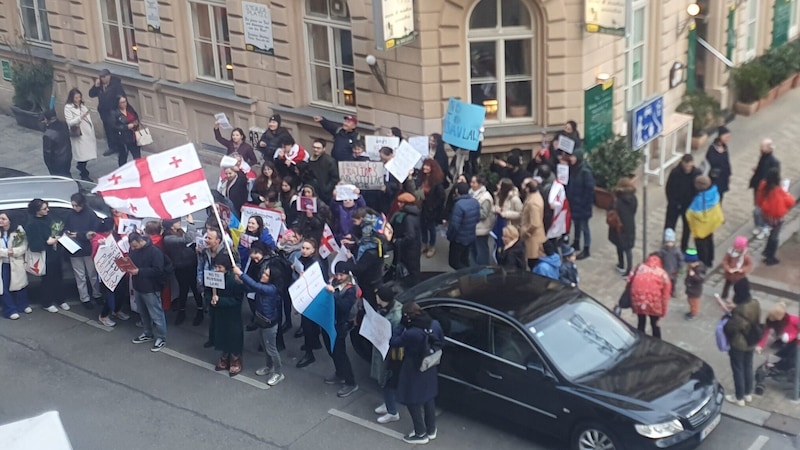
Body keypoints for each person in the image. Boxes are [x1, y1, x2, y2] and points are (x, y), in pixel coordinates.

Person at [390, 301, 444, 444]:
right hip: (430, 365)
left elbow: (393, 342)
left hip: (414, 367)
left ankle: (420, 433)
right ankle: (431, 429)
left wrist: (400, 326)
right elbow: (441, 341)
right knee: (428, 397)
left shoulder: (412, 333)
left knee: (412, 399)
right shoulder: (435, 324)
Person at [234, 261, 284, 386]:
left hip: (269, 324)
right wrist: (241, 282)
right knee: (265, 345)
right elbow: (251, 287)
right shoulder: (265, 286)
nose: (263, 275)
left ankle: (278, 373)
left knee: (271, 349)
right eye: (264, 273)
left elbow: (255, 286)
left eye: (267, 275)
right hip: (261, 320)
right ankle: (269, 366)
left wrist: (241, 274)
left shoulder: (271, 289)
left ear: (272, 279)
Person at [321, 262, 359, 398]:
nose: (339, 277)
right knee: (331, 350)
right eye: (337, 274)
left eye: (341, 274)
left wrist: (333, 295)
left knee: (340, 353)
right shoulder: (333, 281)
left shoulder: (350, 289)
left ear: (348, 275)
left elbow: (344, 307)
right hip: (328, 321)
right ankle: (340, 373)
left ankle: (351, 382)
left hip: (340, 325)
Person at [127, 232, 168, 352]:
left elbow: (158, 270)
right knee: (143, 313)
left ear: (141, 241)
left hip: (151, 288)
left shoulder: (155, 252)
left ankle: (161, 337)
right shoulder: (134, 249)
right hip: (138, 286)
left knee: (156, 314)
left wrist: (139, 271)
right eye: (132, 247)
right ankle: (147, 333)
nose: (133, 249)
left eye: (135, 246)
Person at [723, 278, 761, 406]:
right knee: (748, 366)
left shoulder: (739, 310)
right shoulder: (755, 303)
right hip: (752, 340)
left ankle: (739, 397)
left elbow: (730, 327)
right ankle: (748, 393)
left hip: (739, 343)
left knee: (738, 369)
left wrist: (730, 312)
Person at [25, 199, 67, 312]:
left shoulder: (49, 218)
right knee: (48, 280)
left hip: (56, 253)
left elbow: (56, 228)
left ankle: (60, 299)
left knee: (59, 277)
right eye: (44, 209)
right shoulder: (32, 224)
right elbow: (34, 244)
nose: (47, 210)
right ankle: (47, 302)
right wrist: (47, 242)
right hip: (45, 256)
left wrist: (57, 236)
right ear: (37, 211)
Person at [207, 254, 245, 377]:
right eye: (216, 267)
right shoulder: (212, 278)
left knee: (233, 335)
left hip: (232, 314)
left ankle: (235, 357)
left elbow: (238, 300)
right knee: (221, 333)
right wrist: (210, 300)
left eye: (220, 267)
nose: (217, 270)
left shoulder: (235, 280)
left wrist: (220, 301)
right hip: (218, 313)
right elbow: (207, 293)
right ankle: (224, 354)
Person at [371, 285, 404, 423]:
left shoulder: (395, 316)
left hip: (391, 355)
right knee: (384, 381)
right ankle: (388, 404)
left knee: (387, 381)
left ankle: (392, 412)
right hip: (382, 350)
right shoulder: (388, 308)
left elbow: (392, 336)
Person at [64, 193, 102, 310]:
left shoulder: (90, 214)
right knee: (80, 276)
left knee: (92, 275)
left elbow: (94, 232)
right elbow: (65, 227)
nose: (74, 208)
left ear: (82, 204)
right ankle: (84, 298)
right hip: (74, 250)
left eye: (76, 206)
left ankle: (97, 294)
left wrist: (78, 235)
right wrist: (68, 234)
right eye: (73, 205)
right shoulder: (70, 215)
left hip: (88, 249)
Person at [163, 218, 203, 326]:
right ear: (171, 226)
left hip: (191, 263)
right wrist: (191, 223)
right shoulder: (168, 238)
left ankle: (200, 309)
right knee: (183, 289)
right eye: (177, 222)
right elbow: (188, 239)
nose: (180, 223)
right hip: (181, 267)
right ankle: (182, 311)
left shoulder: (179, 232)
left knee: (195, 288)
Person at [294, 238, 326, 368]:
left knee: (308, 326)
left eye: (307, 249)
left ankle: (309, 353)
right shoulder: (302, 259)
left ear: (314, 250)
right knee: (311, 325)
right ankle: (315, 342)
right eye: (303, 248)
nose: (304, 251)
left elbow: (318, 282)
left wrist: (304, 278)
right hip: (306, 297)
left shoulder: (316, 263)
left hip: (312, 299)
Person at [755, 167, 796, 266]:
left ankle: (766, 251)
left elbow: (759, 199)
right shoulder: (777, 190)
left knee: (772, 233)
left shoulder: (763, 186)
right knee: (774, 237)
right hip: (775, 217)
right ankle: (770, 257)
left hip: (765, 215)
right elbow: (790, 201)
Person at [629, 253, 672, 339]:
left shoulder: (639, 268)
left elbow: (629, 280)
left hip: (639, 300)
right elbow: (665, 296)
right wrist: (662, 312)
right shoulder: (663, 274)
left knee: (641, 322)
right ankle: (657, 342)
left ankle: (640, 340)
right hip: (654, 303)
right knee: (655, 324)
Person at [348, 209, 386, 304]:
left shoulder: (366, 228)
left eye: (355, 221)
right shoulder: (372, 220)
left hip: (369, 283)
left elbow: (365, 240)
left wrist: (356, 243)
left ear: (361, 218)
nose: (354, 223)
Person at [664, 154, 701, 252]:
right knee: (670, 226)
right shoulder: (675, 172)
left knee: (687, 228)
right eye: (686, 166)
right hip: (674, 204)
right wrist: (672, 202)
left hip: (688, 206)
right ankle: (668, 246)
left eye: (689, 166)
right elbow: (669, 188)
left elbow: (698, 191)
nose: (687, 168)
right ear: (682, 163)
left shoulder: (697, 173)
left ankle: (683, 247)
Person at [686, 175, 724, 268]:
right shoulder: (714, 191)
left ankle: (703, 263)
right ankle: (710, 260)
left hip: (701, 227)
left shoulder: (700, 199)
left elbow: (690, 213)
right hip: (711, 224)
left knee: (702, 246)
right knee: (709, 241)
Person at [564, 149, 595, 260]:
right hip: (575, 203)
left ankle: (586, 249)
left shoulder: (585, 171)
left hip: (582, 206)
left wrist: (584, 204)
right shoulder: (574, 169)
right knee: (576, 224)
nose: (571, 159)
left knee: (584, 227)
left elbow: (589, 190)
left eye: (573, 157)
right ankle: (576, 243)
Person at [0, 212, 31, 320]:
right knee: (3, 288)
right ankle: (10, 310)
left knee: (19, 284)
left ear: (10, 220)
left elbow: (23, 246)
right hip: (2, 263)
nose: (1, 221)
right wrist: (5, 253)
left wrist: (13, 251)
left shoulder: (18, 230)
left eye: (3, 219)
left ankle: (22, 305)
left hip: (16, 261)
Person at [88, 68, 125, 156]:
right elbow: (91, 94)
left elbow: (121, 96)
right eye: (101, 77)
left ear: (108, 76)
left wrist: (119, 109)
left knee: (116, 129)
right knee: (108, 130)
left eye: (104, 77)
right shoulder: (100, 85)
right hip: (104, 111)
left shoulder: (115, 85)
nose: (102, 79)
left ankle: (120, 147)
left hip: (113, 111)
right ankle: (112, 147)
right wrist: (95, 86)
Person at [748, 139, 780, 240]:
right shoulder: (763, 157)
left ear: (769, 148)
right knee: (757, 208)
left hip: (765, 189)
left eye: (762, 146)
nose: (760, 148)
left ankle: (764, 227)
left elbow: (774, 176)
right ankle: (759, 225)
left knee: (761, 209)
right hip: (758, 186)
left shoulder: (773, 162)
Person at [64, 88, 98, 181]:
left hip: (87, 133)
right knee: (82, 154)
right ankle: (83, 172)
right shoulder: (68, 107)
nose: (78, 99)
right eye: (76, 97)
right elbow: (70, 122)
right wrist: (80, 117)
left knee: (87, 153)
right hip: (79, 134)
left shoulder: (82, 105)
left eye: (79, 97)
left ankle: (82, 167)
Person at [446, 182, 480, 270]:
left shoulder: (458, 205)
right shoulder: (474, 202)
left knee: (454, 262)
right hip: (470, 236)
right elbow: (477, 218)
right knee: (464, 259)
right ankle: (466, 279)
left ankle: (465, 274)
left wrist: (450, 236)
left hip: (458, 239)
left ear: (457, 191)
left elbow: (454, 225)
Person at [389, 192, 421, 282]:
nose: (398, 204)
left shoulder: (408, 218)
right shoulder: (413, 213)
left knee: (412, 270)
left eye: (401, 202)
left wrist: (398, 241)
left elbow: (410, 236)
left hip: (410, 250)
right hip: (412, 248)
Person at [417, 159, 446, 258]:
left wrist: (433, 207)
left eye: (428, 166)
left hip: (431, 209)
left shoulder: (437, 181)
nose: (425, 167)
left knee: (431, 228)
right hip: (422, 207)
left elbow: (441, 197)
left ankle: (432, 246)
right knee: (423, 227)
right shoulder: (422, 178)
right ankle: (424, 244)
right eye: (424, 165)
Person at [608, 178, 637, 276]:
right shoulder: (633, 198)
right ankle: (629, 269)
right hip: (629, 225)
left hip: (618, 226)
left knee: (619, 245)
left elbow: (611, 210)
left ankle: (621, 265)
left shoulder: (617, 199)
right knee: (628, 248)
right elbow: (634, 210)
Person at [756, 302, 798, 369]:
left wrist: (792, 336)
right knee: (781, 353)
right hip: (786, 339)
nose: (771, 319)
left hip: (795, 339)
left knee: (792, 355)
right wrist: (760, 345)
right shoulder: (771, 320)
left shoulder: (792, 320)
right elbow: (765, 333)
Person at [469, 175, 495, 266]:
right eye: (471, 182)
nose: (471, 184)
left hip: (482, 228)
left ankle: (483, 268)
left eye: (474, 182)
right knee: (473, 249)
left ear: (480, 184)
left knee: (481, 249)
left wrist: (471, 212)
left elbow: (484, 214)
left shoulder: (485, 197)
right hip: (474, 227)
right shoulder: (472, 193)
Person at [520, 179, 546, 270]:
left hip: (533, 238)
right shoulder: (535, 196)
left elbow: (535, 223)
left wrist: (525, 232)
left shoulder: (532, 203)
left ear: (527, 188)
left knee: (533, 262)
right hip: (535, 235)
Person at [108, 96, 141, 166]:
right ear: (118, 103)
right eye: (122, 102)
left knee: (137, 155)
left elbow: (136, 117)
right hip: (123, 138)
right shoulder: (114, 113)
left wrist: (136, 123)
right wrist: (126, 127)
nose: (124, 104)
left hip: (134, 135)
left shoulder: (130, 109)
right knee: (123, 156)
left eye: (125, 102)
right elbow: (113, 126)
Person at [719, 236, 753, 303]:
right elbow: (724, 261)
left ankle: (735, 300)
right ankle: (724, 296)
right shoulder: (730, 253)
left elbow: (749, 265)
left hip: (739, 276)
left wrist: (742, 270)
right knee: (726, 286)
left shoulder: (746, 256)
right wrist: (728, 268)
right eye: (736, 248)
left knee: (738, 288)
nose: (737, 249)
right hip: (729, 274)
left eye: (738, 248)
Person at [307, 138, 340, 205]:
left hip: (325, 194)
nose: (315, 149)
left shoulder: (329, 161)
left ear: (324, 149)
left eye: (318, 148)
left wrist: (326, 189)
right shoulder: (310, 159)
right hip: (314, 191)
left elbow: (335, 178)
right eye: (314, 147)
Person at [41, 109, 72, 177]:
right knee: (67, 174)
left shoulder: (48, 134)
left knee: (60, 179)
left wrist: (49, 165)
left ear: (46, 119)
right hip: (67, 156)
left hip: (57, 161)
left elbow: (47, 153)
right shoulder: (64, 124)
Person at [705, 126, 732, 203]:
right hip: (714, 177)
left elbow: (727, 162)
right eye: (726, 137)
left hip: (723, 177)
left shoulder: (725, 148)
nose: (728, 139)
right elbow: (710, 161)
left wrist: (729, 175)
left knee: (720, 196)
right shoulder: (712, 148)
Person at [657, 229, 683, 297]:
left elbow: (680, 259)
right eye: (668, 242)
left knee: (673, 282)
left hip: (674, 270)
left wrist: (680, 268)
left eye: (671, 242)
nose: (669, 244)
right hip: (665, 269)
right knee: (664, 281)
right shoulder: (663, 250)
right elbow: (659, 257)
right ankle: (665, 291)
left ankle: (672, 291)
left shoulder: (676, 251)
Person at [683, 249, 705, 320]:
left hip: (695, 290)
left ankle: (693, 313)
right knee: (690, 300)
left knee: (694, 303)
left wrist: (693, 275)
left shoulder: (700, 269)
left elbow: (701, 279)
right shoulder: (691, 267)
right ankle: (691, 311)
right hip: (690, 288)